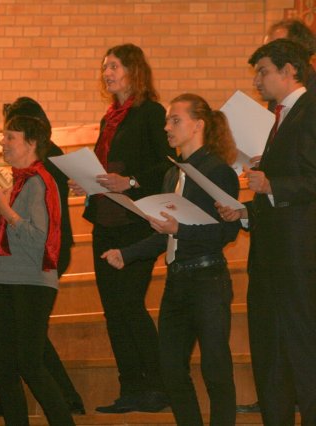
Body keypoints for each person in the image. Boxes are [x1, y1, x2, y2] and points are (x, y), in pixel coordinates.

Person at [104, 93, 240, 425]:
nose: (167, 127)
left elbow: (227, 232)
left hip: (208, 279)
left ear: (198, 125)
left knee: (215, 368)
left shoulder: (217, 171)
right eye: (167, 120)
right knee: (171, 370)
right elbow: (166, 234)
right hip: (177, 281)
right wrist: (127, 253)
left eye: (175, 120)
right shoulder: (172, 175)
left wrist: (180, 229)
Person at [69, 43, 174, 413]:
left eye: (114, 66)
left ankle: (158, 387)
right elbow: (106, 170)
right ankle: (130, 387)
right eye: (104, 68)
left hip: (135, 223)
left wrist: (129, 181)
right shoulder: (108, 118)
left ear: (134, 70)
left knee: (129, 304)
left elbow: (168, 165)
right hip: (106, 222)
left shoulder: (151, 113)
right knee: (113, 310)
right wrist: (89, 183)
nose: (107, 73)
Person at [217, 39, 316, 425]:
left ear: (289, 70)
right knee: (270, 353)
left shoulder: (309, 110)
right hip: (273, 257)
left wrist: (272, 183)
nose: (257, 81)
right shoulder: (281, 118)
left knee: (302, 352)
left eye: (263, 71)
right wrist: (246, 210)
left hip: (298, 257)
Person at [0, 96, 84, 415]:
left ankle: (65, 410)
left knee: (29, 363)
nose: (2, 142)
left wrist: (6, 211)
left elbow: (38, 239)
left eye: (10, 136)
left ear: (30, 142)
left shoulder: (38, 181)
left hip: (30, 280)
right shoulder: (20, 181)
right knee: (5, 363)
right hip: (8, 279)